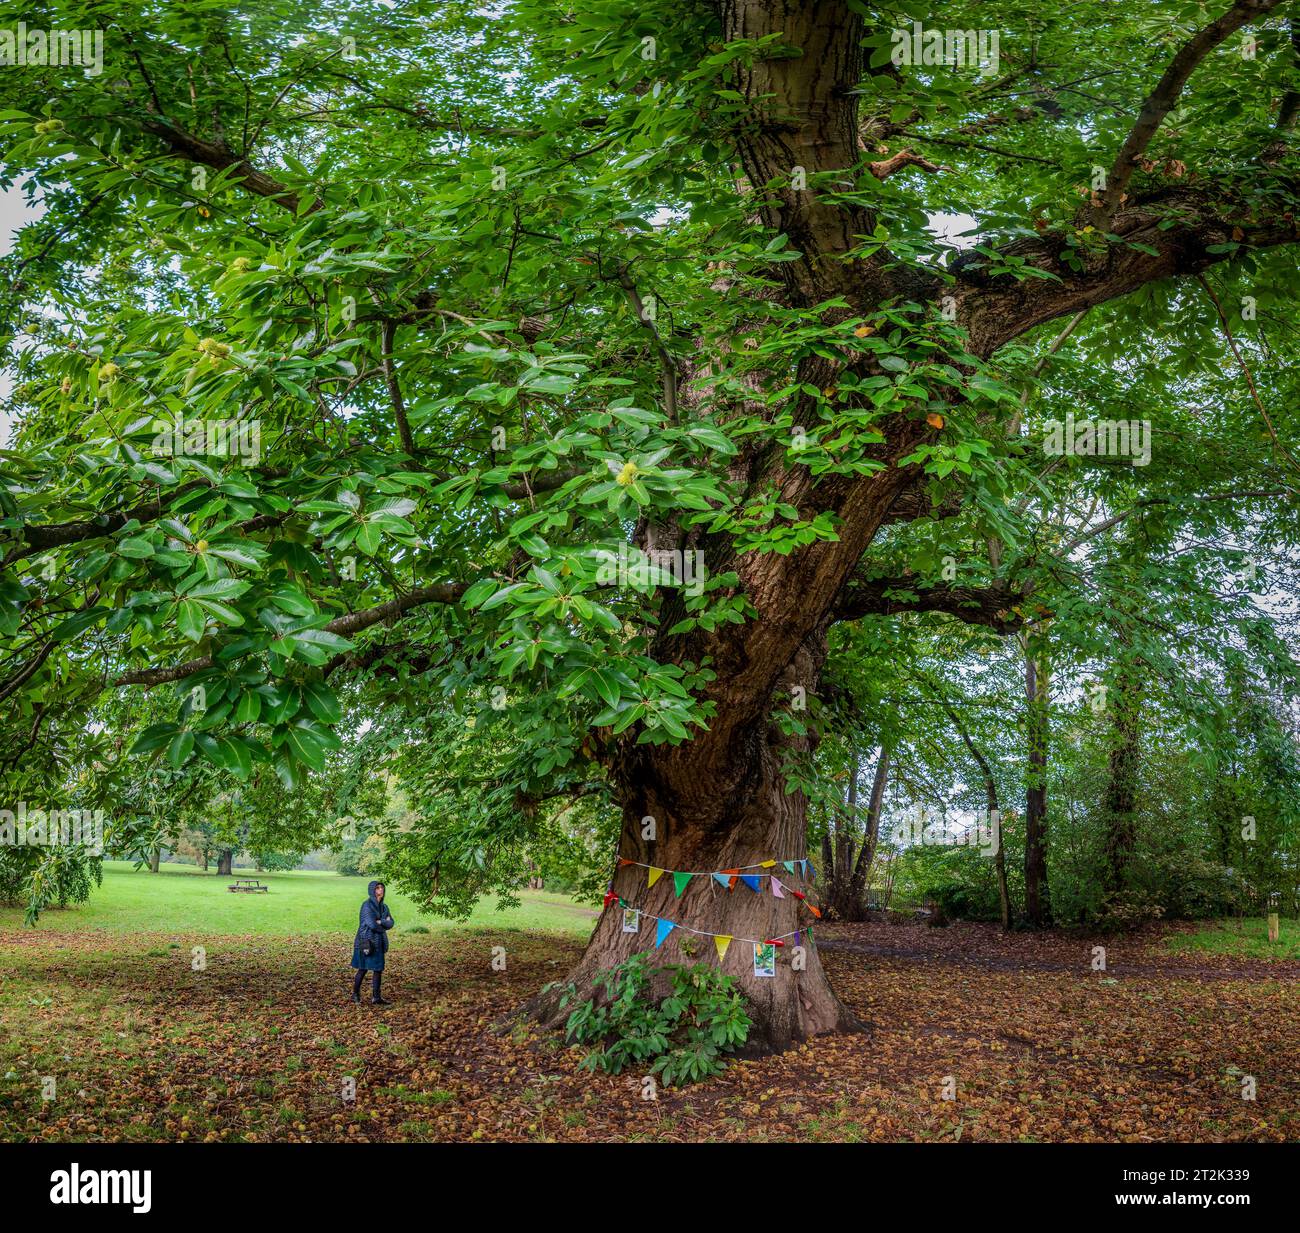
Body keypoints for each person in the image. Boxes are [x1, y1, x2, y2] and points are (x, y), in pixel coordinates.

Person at [350, 879, 394, 1004]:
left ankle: (376, 997)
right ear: (372, 890)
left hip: (379, 941)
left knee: (378, 969)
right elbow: (372, 924)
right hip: (366, 941)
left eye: (382, 887)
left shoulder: (384, 907)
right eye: (378, 888)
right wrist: (382, 922)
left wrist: (382, 921)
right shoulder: (367, 905)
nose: (381, 890)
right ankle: (355, 994)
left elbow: (391, 923)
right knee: (363, 969)